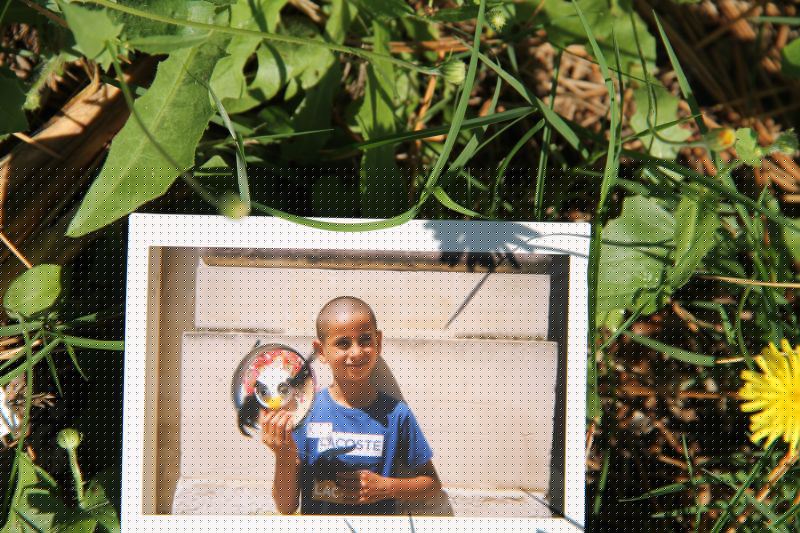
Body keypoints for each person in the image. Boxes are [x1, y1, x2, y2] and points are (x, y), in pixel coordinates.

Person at [260, 296, 441, 515]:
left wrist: (387, 487)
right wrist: (283, 456)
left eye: (365, 340)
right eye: (343, 343)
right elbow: (286, 506)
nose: (356, 353)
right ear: (321, 351)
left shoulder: (396, 414)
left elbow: (432, 484)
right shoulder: (303, 412)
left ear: (378, 342)